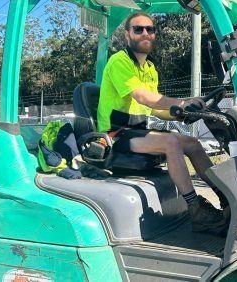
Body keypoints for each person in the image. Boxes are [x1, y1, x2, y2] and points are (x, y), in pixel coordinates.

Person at [97, 12, 228, 233]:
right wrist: (183, 101)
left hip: (137, 130)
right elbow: (142, 97)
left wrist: (180, 113)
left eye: (150, 29)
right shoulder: (119, 60)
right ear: (127, 34)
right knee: (171, 143)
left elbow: (156, 108)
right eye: (138, 29)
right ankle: (196, 210)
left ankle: (226, 197)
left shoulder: (150, 69)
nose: (145, 33)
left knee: (192, 143)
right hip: (114, 134)